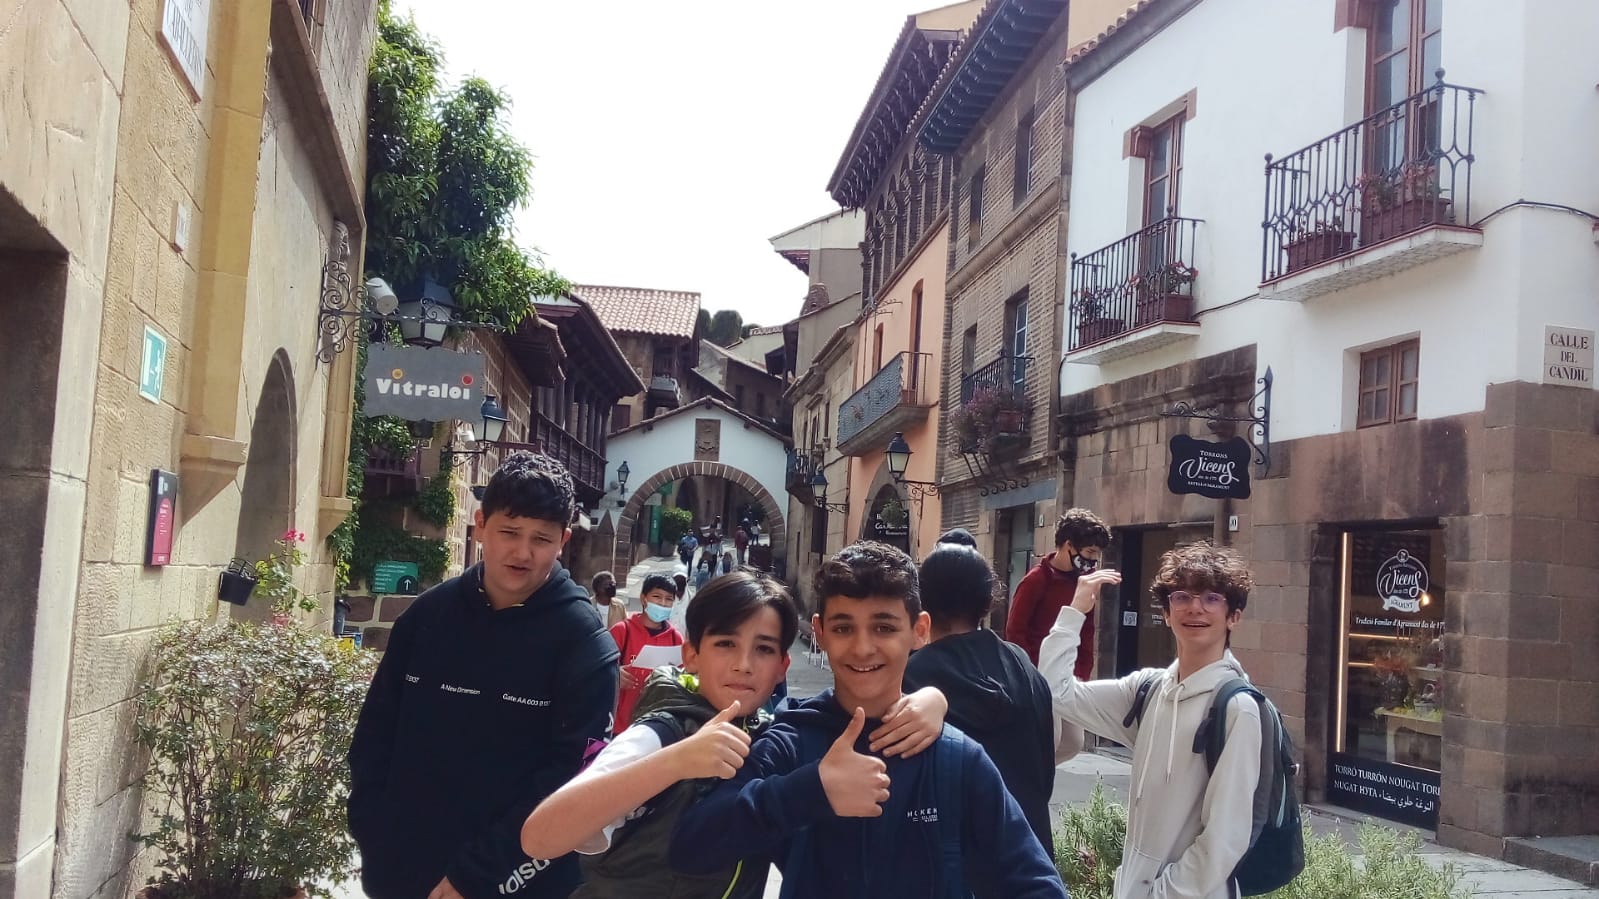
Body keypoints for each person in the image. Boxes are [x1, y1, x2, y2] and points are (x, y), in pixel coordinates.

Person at [671, 541, 1067, 899]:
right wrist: (812, 789)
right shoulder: (791, 741)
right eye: (844, 628)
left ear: (919, 630)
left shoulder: (954, 757)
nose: (862, 648)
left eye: (883, 627)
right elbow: (692, 846)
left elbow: (1033, 881)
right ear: (820, 632)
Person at [348, 451, 618, 899]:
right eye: (510, 532)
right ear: (480, 525)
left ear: (563, 540)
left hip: (515, 883)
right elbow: (376, 734)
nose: (523, 552)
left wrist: (476, 876)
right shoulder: (426, 618)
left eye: (541, 538)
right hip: (401, 873)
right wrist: (373, 836)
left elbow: (571, 779)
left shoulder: (584, 643)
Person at [1040, 541, 1262, 899]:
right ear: (1167, 613)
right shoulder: (1148, 691)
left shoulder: (1237, 708)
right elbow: (1056, 692)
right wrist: (1075, 611)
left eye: (1211, 598)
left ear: (1233, 616)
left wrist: (1160, 893)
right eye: (1182, 597)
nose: (1195, 608)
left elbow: (1225, 838)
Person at [904, 541, 1083, 853]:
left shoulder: (911, 676)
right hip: (1029, 853)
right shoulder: (1022, 664)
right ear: (988, 601)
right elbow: (1063, 744)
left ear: (920, 603)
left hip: (951, 861)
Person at [1006, 507, 1112, 670]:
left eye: (1097, 554)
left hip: (1070, 674)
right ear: (1069, 545)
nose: (1094, 559)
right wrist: (1031, 672)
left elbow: (1087, 632)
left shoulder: (1085, 581)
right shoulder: (1036, 580)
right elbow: (1015, 631)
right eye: (1090, 552)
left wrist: (1082, 673)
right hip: (1037, 672)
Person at [611, 574, 686, 727]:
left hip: (656, 725)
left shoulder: (676, 639)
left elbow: (683, 679)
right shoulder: (622, 631)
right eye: (657, 597)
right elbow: (596, 671)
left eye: (669, 599)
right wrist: (613, 675)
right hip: (619, 725)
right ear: (643, 598)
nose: (663, 603)